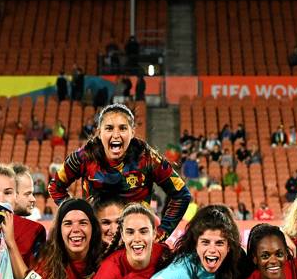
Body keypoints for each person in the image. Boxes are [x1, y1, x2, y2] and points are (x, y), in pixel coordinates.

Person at [48, 103, 191, 241]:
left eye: (123, 128)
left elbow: (182, 194)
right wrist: (77, 215)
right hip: (98, 241)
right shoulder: (83, 157)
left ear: (132, 132)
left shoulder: (148, 158)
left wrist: (162, 232)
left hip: (136, 241)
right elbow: (55, 187)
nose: (116, 135)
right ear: (99, 132)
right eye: (109, 128)